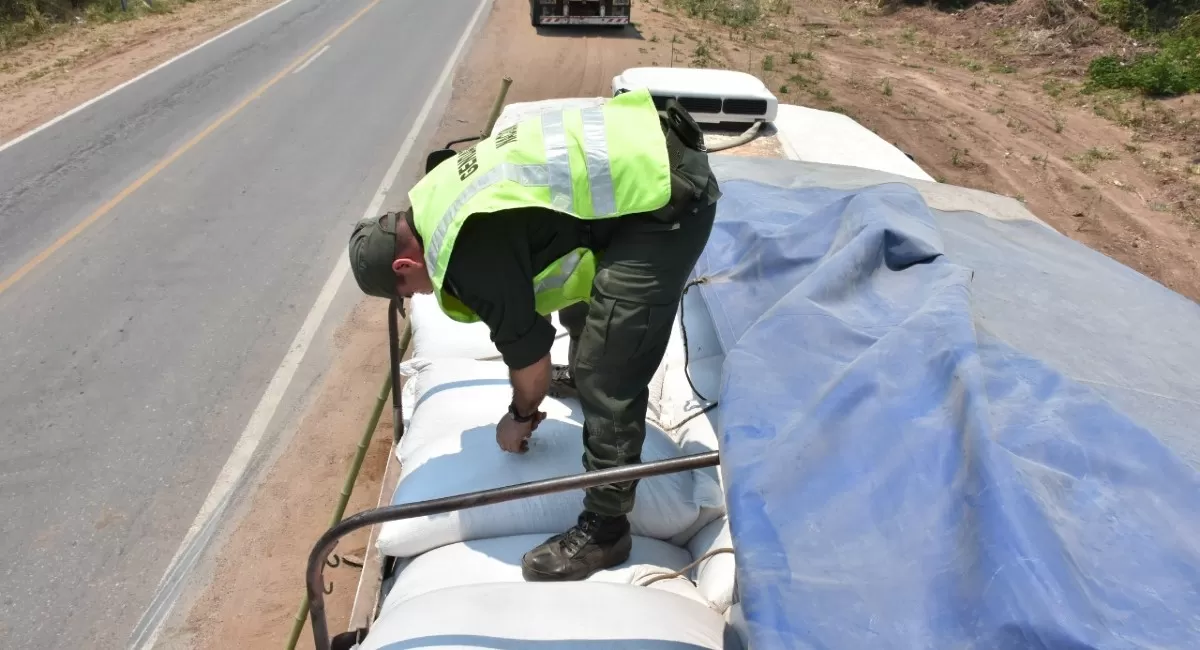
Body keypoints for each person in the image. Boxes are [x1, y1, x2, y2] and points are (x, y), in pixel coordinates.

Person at [347, 88, 720, 581]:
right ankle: (594, 385)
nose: (417, 296)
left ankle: (607, 529)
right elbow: (541, 260)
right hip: (648, 150)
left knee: (607, 371)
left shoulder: (464, 251)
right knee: (586, 313)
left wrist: (520, 415)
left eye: (407, 290)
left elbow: (529, 359)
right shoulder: (436, 194)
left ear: (403, 264)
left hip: (663, 199)